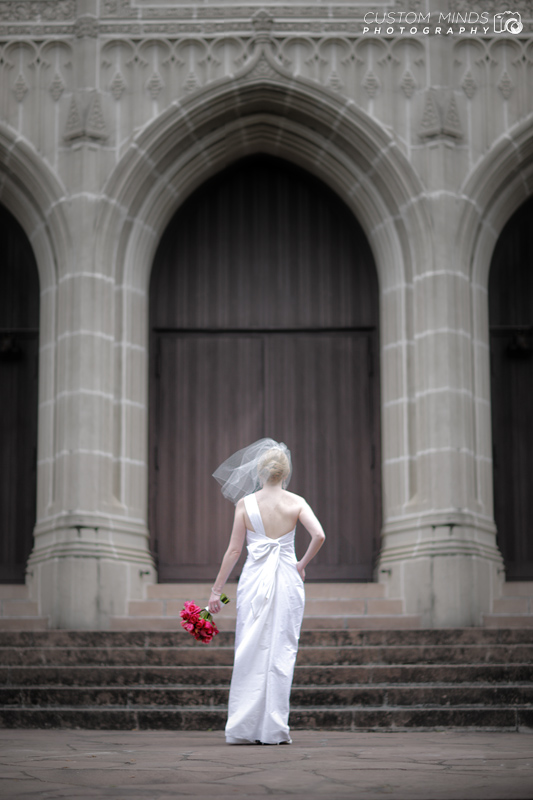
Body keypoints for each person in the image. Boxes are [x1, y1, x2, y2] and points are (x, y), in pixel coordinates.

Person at [208, 438, 326, 745]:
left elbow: (234, 551)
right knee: (281, 651)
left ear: (259, 473)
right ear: (285, 474)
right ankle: (274, 729)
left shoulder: (245, 505)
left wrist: (216, 593)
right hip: (287, 580)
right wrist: (300, 564)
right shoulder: (297, 502)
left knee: (249, 648)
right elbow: (319, 535)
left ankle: (242, 728)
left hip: (254, 581)